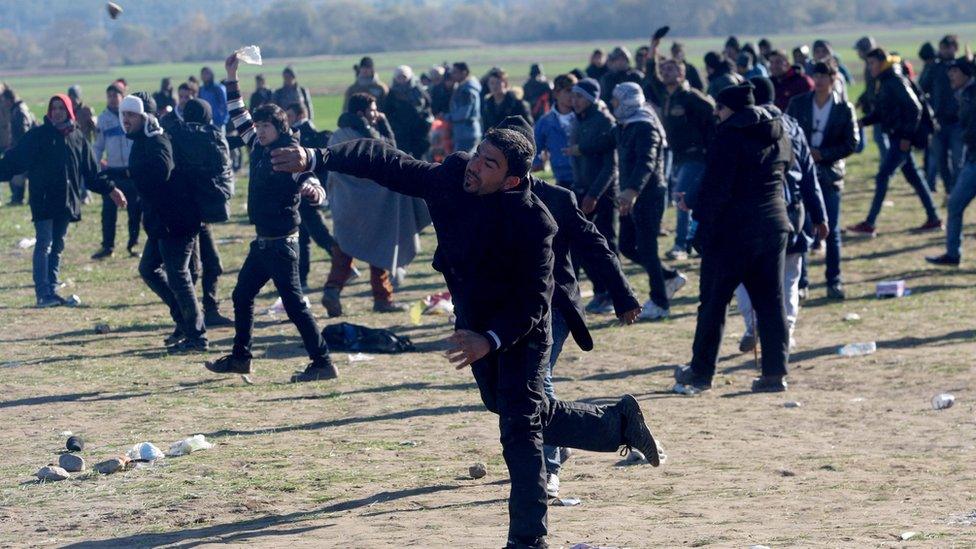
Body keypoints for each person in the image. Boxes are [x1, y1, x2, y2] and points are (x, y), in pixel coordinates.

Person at [270, 125, 664, 549]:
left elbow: (535, 304)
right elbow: (385, 161)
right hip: (474, 322)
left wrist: (490, 340)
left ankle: (528, 540)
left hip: (521, 331)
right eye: (478, 154)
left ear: (511, 180)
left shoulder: (536, 222)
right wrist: (317, 158)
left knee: (520, 427)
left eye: (488, 163)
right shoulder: (453, 178)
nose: (475, 165)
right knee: (506, 404)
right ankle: (617, 423)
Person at [500, 114, 642, 497]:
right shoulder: (484, 198)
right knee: (514, 386)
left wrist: (623, 294)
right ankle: (558, 441)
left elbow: (594, 246)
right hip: (510, 312)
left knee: (537, 378)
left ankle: (547, 468)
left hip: (554, 308)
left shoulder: (557, 198)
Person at [205, 54, 335, 383]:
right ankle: (240, 358)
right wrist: (231, 74)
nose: (259, 131)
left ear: (280, 128)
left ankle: (322, 362)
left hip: (282, 246)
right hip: (263, 244)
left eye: (266, 126)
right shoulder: (260, 147)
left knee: (294, 306)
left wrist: (314, 192)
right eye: (259, 126)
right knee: (242, 295)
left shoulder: (287, 152)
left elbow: (309, 179)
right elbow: (237, 112)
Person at [673, 83, 793, 394]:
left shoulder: (729, 136)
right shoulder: (780, 132)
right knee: (771, 302)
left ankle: (701, 372)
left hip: (733, 231)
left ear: (732, 110)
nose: (716, 114)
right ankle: (774, 374)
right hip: (774, 224)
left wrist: (698, 226)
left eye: (720, 108)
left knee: (713, 302)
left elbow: (717, 187)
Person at [0, 94, 126, 307]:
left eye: (61, 108)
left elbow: (91, 173)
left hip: (67, 201)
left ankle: (53, 288)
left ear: (69, 111)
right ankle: (43, 294)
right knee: (44, 243)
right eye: (54, 108)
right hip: (44, 200)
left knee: (58, 245)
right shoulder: (38, 135)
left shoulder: (77, 137)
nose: (57, 112)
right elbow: (15, 160)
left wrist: (111, 189)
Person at [735, 77, 828, 352]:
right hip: (792, 211)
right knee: (789, 276)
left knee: (744, 273)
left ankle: (753, 326)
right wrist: (819, 215)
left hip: (755, 211)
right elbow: (809, 173)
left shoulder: (743, 126)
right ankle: (786, 329)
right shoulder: (793, 126)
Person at [321, 93, 428, 316]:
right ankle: (383, 298)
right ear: (361, 113)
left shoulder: (337, 135)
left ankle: (333, 290)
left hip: (346, 205)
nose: (376, 113)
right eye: (373, 110)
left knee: (345, 248)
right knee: (380, 245)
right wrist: (384, 124)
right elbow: (390, 154)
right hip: (373, 204)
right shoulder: (368, 138)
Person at [122, 94, 208, 354]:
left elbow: (162, 170)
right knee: (149, 268)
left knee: (179, 276)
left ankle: (197, 337)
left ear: (145, 117)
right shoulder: (141, 141)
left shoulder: (157, 140)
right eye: (124, 115)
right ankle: (183, 321)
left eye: (132, 115)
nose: (126, 119)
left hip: (176, 221)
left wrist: (130, 174)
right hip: (162, 222)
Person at [604, 82, 687, 320]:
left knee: (648, 248)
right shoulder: (623, 125)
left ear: (629, 101)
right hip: (630, 195)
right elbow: (604, 143)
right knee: (628, 246)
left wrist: (631, 191)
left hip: (647, 195)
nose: (613, 105)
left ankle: (660, 303)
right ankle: (669, 276)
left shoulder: (645, 127)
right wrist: (578, 148)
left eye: (617, 101)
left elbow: (646, 163)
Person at [848, 48, 941, 236]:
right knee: (914, 177)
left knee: (883, 176)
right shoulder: (885, 80)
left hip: (901, 138)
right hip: (896, 136)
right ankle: (934, 218)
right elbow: (885, 112)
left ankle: (870, 223)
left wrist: (907, 137)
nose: (870, 67)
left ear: (882, 62)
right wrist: (863, 122)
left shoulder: (894, 80)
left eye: (872, 63)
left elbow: (915, 108)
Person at [787, 62, 860, 299]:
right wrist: (805, 155)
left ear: (833, 78)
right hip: (803, 174)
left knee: (831, 229)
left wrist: (824, 154)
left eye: (823, 76)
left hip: (830, 175)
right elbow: (786, 133)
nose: (818, 80)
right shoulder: (799, 103)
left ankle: (833, 280)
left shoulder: (843, 108)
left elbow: (852, 142)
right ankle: (802, 283)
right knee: (803, 228)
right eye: (815, 75)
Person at [649, 55, 716, 260]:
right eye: (664, 69)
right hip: (678, 157)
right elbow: (651, 76)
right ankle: (697, 242)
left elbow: (714, 115)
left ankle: (681, 245)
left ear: (681, 73)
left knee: (681, 197)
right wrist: (654, 47)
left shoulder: (692, 97)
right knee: (690, 200)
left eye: (670, 69)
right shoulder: (668, 96)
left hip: (695, 156)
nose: (665, 72)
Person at [563, 78, 619, 315]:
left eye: (579, 97)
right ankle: (599, 291)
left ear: (591, 99)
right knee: (579, 244)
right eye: (573, 96)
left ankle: (616, 295)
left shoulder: (604, 121)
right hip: (583, 189)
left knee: (606, 245)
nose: (574, 101)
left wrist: (594, 194)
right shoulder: (579, 120)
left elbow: (610, 166)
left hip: (603, 194)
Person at [927, 59, 976, 266]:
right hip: (972, 159)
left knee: (955, 204)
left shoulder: (972, 94)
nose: (951, 76)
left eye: (955, 72)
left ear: (965, 73)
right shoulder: (965, 93)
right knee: (954, 204)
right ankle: (952, 254)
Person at [285, 102, 338, 290]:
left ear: (300, 115)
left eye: (289, 115)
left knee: (316, 232)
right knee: (306, 234)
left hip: (309, 189)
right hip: (308, 189)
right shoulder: (308, 133)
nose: (287, 120)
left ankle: (343, 264)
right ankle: (303, 278)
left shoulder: (304, 134)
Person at [91, 83, 141, 260]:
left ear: (123, 96)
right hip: (112, 172)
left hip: (130, 172)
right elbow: (98, 147)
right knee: (108, 212)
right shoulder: (103, 119)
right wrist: (94, 166)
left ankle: (133, 245)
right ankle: (108, 246)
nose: (113, 99)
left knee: (134, 211)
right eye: (110, 95)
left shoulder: (131, 117)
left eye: (116, 95)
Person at [925, 35, 964, 195]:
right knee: (941, 160)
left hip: (958, 121)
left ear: (955, 47)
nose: (944, 51)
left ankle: (956, 190)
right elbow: (923, 87)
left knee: (957, 159)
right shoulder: (935, 68)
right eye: (942, 48)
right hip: (939, 122)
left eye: (948, 47)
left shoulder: (963, 66)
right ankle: (949, 190)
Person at [532, 73, 577, 188]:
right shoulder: (545, 122)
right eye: (568, 90)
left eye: (575, 91)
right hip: (562, 179)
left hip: (586, 177)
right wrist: (537, 162)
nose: (573, 95)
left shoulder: (584, 117)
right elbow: (536, 147)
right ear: (556, 93)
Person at [384, 65, 433, 159]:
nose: (402, 80)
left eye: (404, 77)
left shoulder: (418, 90)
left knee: (421, 159)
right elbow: (388, 112)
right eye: (399, 77)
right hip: (400, 132)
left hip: (418, 131)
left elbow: (428, 105)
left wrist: (424, 121)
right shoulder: (392, 93)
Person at [854, 36, 888, 164]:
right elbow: (870, 88)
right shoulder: (870, 64)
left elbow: (874, 88)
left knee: (880, 137)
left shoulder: (873, 65)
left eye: (859, 50)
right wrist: (861, 100)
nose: (858, 53)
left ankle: (887, 165)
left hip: (880, 108)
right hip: (876, 106)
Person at [0, 86, 35, 206]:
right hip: (24, 148)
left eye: (4, 100)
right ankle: (18, 198)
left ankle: (19, 198)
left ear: (10, 99)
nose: (3, 103)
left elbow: (24, 132)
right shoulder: (16, 109)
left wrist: (18, 148)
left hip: (26, 149)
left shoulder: (19, 111)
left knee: (21, 174)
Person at [448, 62, 483, 154]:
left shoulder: (467, 91)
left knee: (462, 163)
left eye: (455, 72)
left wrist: (447, 117)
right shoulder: (463, 87)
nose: (452, 75)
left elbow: (463, 113)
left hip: (466, 132)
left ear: (463, 73)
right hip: (464, 132)